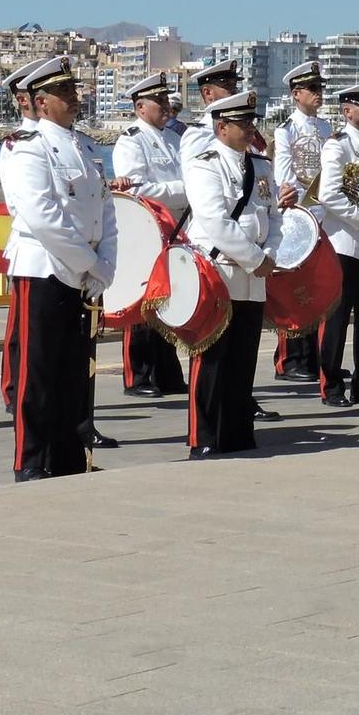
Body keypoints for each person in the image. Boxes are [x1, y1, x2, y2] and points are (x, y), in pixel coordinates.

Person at [4, 56, 118, 481]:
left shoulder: (87, 148)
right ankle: (31, 460)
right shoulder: (26, 146)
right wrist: (90, 263)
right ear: (41, 101)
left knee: (74, 371)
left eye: (75, 91)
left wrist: (105, 265)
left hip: (84, 271)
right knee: (38, 372)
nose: (75, 100)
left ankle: (68, 456)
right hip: (45, 267)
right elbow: (41, 215)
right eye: (65, 93)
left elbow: (105, 210)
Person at [182, 90, 283, 457]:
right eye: (243, 123)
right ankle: (206, 437)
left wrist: (268, 254)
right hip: (220, 271)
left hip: (253, 275)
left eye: (251, 121)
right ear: (221, 127)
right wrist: (257, 259)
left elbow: (274, 219)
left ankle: (238, 432)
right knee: (212, 359)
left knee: (243, 357)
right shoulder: (204, 165)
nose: (250, 129)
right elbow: (215, 222)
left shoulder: (261, 167)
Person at [109, 70, 188, 398]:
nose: (165, 106)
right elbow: (138, 189)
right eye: (159, 101)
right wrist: (185, 190)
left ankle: (167, 373)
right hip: (148, 228)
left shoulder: (173, 138)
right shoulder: (131, 139)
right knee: (142, 305)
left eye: (166, 99)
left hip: (175, 228)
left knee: (168, 302)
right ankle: (138, 375)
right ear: (141, 107)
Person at [315, 82, 359, 409]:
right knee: (336, 320)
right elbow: (329, 195)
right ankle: (331, 385)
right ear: (347, 111)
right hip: (345, 242)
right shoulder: (338, 146)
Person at [270, 60, 331, 383]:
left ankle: (315, 354)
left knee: (318, 287)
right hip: (301, 213)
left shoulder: (325, 129)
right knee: (294, 289)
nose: (319, 94)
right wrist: (306, 204)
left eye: (320, 88)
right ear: (296, 94)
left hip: (325, 214)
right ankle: (290, 358)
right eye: (313, 89)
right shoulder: (287, 130)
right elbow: (285, 176)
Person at [0, 64, 39, 415]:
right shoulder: (17, 145)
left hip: (72, 255)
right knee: (22, 331)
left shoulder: (75, 141)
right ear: (24, 100)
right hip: (35, 249)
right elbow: (18, 204)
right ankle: (14, 389)